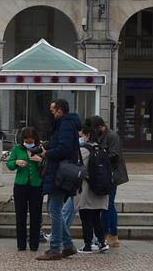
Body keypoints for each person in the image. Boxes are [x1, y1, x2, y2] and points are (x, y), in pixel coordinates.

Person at [38, 98, 81, 261]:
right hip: (58, 172)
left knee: (54, 209)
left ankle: (56, 248)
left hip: (59, 173)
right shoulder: (65, 125)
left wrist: (47, 153)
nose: (51, 113)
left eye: (53, 110)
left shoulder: (65, 124)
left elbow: (64, 148)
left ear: (60, 111)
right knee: (53, 208)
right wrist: (48, 145)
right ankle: (68, 245)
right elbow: (62, 144)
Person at [5, 125, 44, 252]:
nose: (28, 143)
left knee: (36, 216)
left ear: (35, 139)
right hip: (20, 186)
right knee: (20, 215)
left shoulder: (41, 149)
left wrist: (40, 161)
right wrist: (16, 163)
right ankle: (21, 244)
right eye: (26, 141)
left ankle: (34, 244)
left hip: (36, 185)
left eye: (31, 141)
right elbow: (9, 164)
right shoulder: (17, 149)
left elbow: (48, 165)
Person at [76, 122, 112, 254]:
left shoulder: (83, 150)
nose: (81, 137)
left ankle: (87, 245)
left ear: (87, 135)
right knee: (97, 217)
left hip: (88, 190)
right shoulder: (102, 149)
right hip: (101, 190)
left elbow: (78, 168)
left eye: (82, 135)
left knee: (85, 217)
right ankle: (102, 242)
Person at [97, 116, 128, 249]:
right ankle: (104, 233)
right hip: (104, 175)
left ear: (100, 127)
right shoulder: (102, 135)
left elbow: (113, 155)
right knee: (105, 205)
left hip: (112, 175)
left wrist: (99, 159)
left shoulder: (112, 136)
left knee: (109, 205)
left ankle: (113, 235)